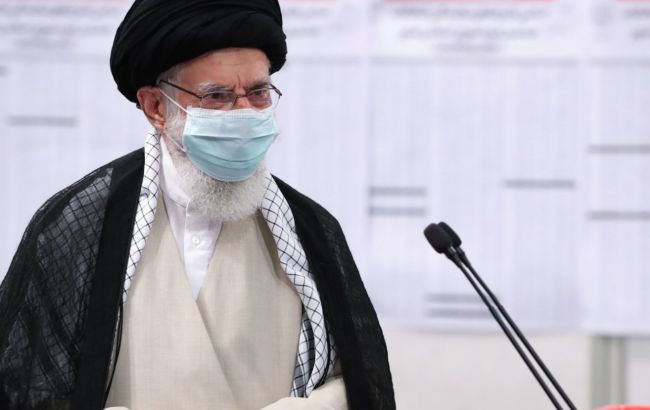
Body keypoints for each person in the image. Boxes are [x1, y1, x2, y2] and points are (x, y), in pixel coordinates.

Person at [0, 0, 394, 409]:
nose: (244, 113)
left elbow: (360, 380)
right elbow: (25, 385)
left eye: (258, 93)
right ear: (156, 107)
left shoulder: (310, 230)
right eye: (217, 96)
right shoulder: (78, 225)